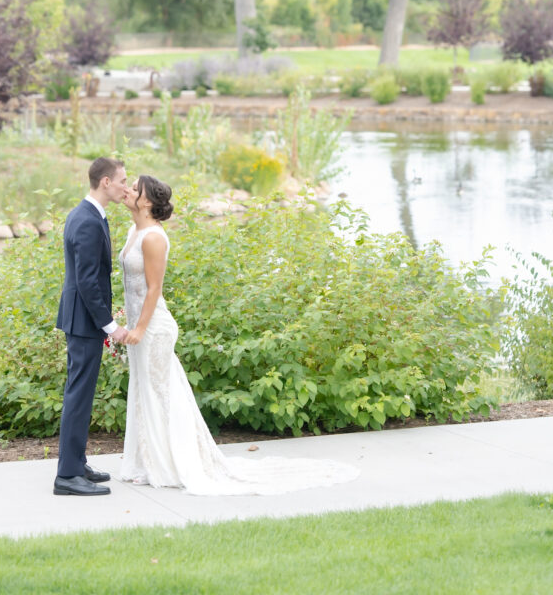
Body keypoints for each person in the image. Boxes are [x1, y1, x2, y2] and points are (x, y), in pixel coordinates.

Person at [119, 175, 359, 495]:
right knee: (144, 391)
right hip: (140, 323)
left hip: (154, 328)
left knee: (162, 395)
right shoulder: (133, 230)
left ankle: (173, 464)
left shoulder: (153, 238)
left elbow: (154, 289)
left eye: (135, 188)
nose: (128, 191)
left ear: (146, 201)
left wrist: (139, 327)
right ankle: (148, 461)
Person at [54, 156, 129, 496]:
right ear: (105, 182)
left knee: (80, 394)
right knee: (78, 396)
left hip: (84, 321)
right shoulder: (86, 220)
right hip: (85, 323)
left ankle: (77, 462)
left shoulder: (89, 215)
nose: (126, 187)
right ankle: (67, 476)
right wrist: (111, 326)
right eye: (122, 180)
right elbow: (86, 282)